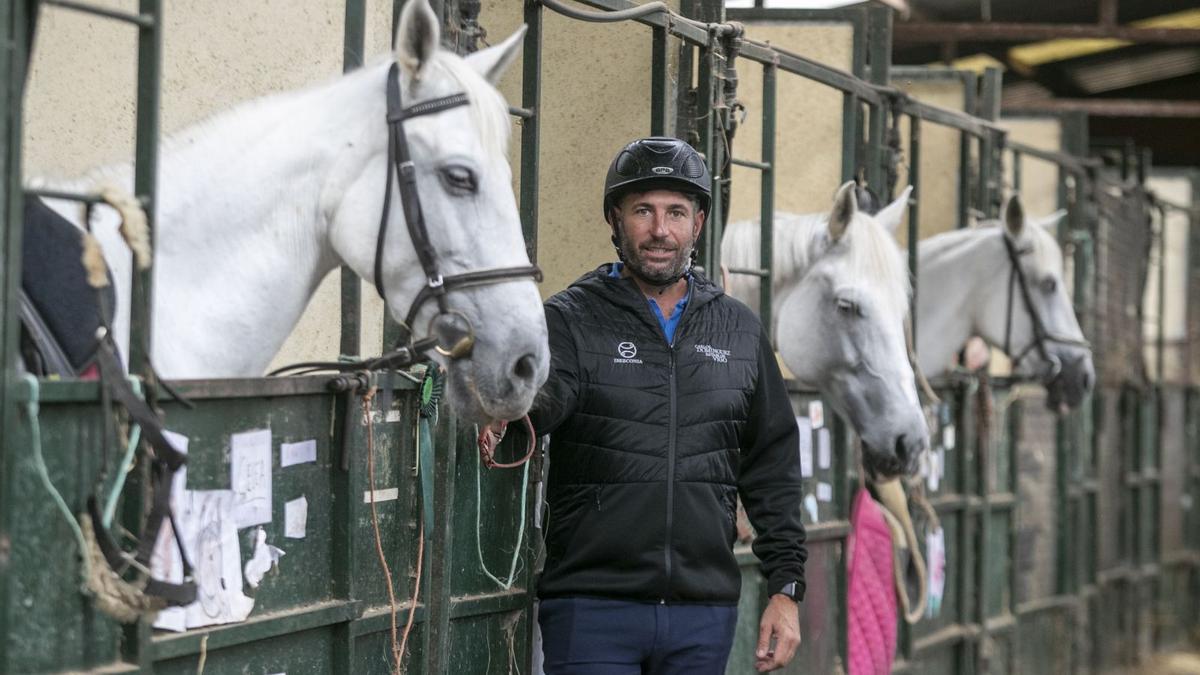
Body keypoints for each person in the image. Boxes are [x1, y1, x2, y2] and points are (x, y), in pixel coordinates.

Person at [491, 137, 807, 674]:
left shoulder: (739, 330)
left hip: (702, 614)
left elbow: (771, 467)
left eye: (676, 213)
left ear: (698, 223)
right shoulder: (569, 320)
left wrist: (786, 588)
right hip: (592, 609)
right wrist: (502, 404)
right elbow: (540, 402)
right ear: (615, 220)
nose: (661, 230)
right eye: (643, 211)